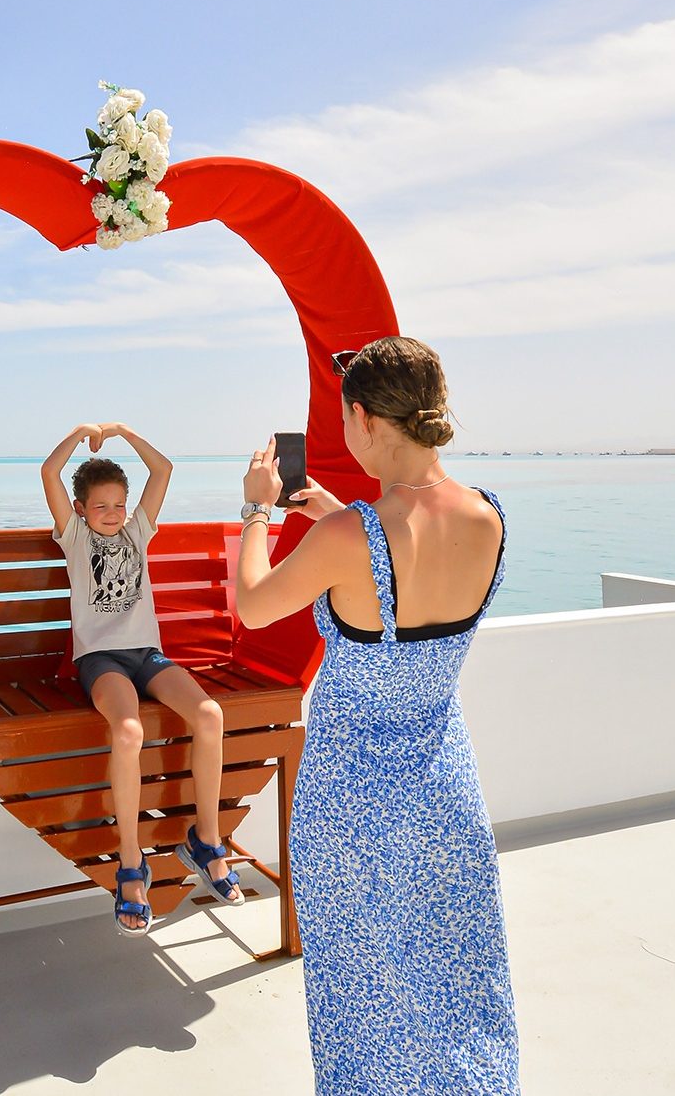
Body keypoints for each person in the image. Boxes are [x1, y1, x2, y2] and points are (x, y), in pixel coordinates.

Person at [234, 337, 519, 1094]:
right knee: (459, 990)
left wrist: (257, 508)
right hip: (445, 794)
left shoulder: (345, 538)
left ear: (363, 419)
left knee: (363, 1002)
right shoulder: (487, 516)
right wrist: (343, 522)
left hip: (351, 804)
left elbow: (254, 604)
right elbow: (409, 554)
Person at [42, 422, 244, 936]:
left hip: (147, 655)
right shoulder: (75, 536)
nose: (111, 515)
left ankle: (207, 840)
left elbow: (163, 469)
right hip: (102, 661)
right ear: (82, 508)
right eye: (100, 506)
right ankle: (132, 865)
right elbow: (49, 470)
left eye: (118, 504)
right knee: (128, 730)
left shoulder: (137, 531)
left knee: (209, 714)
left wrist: (123, 432)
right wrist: (81, 434)